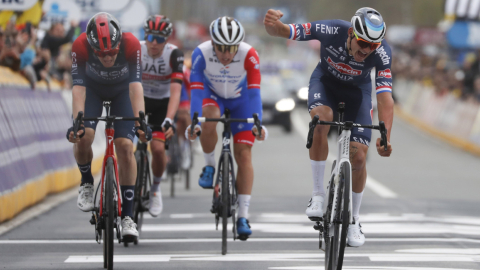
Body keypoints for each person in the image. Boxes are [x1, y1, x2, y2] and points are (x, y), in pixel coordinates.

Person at [264, 7, 393, 247]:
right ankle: (317, 196)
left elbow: (385, 98)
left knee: (359, 157)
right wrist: (274, 25)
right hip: (325, 83)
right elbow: (283, 31)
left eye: (372, 46)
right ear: (351, 34)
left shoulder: (383, 53)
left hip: (358, 95)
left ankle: (354, 220)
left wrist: (385, 137)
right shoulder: (331, 28)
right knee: (321, 120)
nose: (366, 50)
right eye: (363, 42)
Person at [66, 12, 151, 242]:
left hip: (122, 92)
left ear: (119, 42)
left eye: (113, 51)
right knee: (84, 136)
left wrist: (141, 120)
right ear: (92, 48)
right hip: (92, 91)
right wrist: (77, 124)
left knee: (124, 147)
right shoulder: (80, 45)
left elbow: (135, 87)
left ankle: (128, 217)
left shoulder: (132, 44)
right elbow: (78, 89)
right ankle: (86, 182)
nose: (108, 57)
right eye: (102, 54)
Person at [186, 16, 267, 240]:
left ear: (238, 46)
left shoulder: (249, 54)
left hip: (241, 101)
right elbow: (196, 89)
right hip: (213, 97)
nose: (225, 54)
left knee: (244, 155)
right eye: (220, 48)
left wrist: (258, 122)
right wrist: (195, 120)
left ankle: (243, 216)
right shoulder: (200, 53)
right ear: (212, 44)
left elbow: (254, 92)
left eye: (230, 48)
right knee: (209, 116)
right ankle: (210, 165)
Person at [140, 15, 184, 216]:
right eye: (150, 37)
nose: (154, 43)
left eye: (159, 39)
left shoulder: (174, 55)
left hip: (162, 103)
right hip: (138, 100)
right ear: (145, 36)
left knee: (157, 149)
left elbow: (176, 91)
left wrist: (169, 118)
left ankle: (155, 190)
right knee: (123, 144)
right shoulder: (136, 50)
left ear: (166, 40)